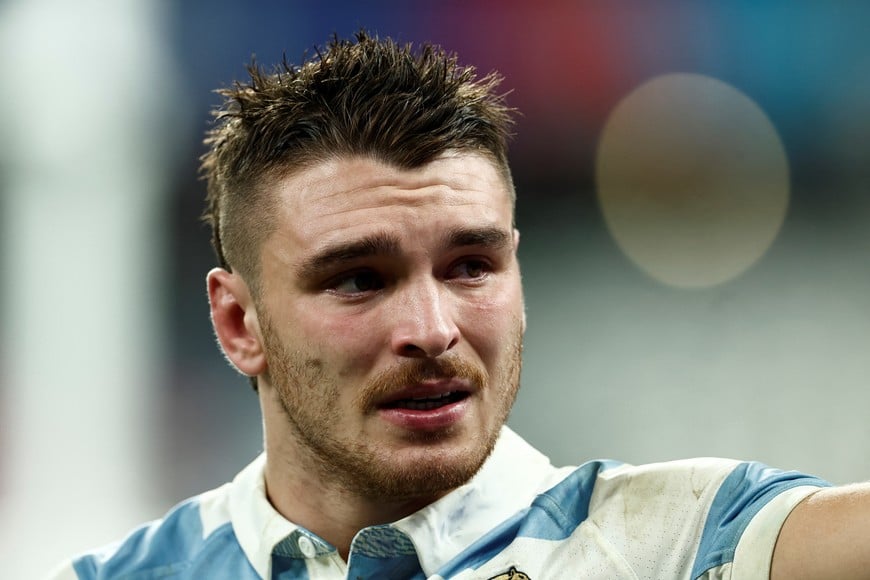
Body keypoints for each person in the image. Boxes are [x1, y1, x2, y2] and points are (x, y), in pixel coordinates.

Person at [50, 31, 870, 580]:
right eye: (360, 280)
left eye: (470, 266)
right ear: (239, 323)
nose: (433, 330)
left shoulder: (680, 541)